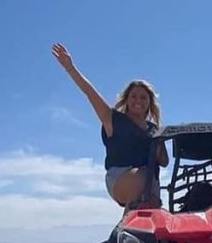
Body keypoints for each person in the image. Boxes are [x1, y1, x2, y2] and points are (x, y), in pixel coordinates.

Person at [52, 43, 169, 209]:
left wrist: (157, 141)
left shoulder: (154, 129)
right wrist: (70, 68)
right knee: (145, 177)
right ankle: (130, 221)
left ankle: (132, 226)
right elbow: (90, 93)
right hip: (119, 176)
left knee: (151, 194)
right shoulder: (113, 119)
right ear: (127, 100)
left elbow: (164, 162)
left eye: (143, 97)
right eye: (134, 96)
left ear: (149, 102)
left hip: (149, 181)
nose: (138, 101)